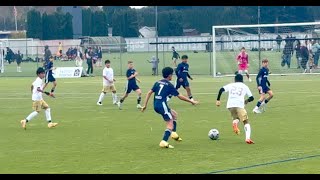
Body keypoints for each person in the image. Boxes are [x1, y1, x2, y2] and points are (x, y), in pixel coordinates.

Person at [141, 67, 199, 148]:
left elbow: (149, 93)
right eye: (172, 74)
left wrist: (145, 105)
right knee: (170, 124)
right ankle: (164, 141)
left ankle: (174, 134)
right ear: (169, 75)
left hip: (156, 105)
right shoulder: (169, 85)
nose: (172, 76)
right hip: (162, 106)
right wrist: (192, 101)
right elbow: (180, 96)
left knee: (174, 114)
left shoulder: (157, 82)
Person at [216, 74, 255, 144]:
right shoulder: (245, 86)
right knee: (246, 122)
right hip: (239, 105)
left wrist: (218, 100)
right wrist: (246, 101)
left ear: (235, 80)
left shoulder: (231, 85)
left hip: (230, 106)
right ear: (242, 80)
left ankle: (235, 123)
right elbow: (252, 98)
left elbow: (221, 89)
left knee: (236, 118)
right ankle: (248, 138)